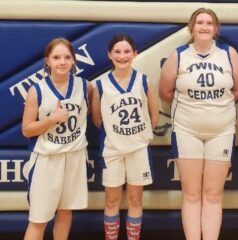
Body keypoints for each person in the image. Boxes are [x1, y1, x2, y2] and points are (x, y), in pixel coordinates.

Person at [159, 7, 238, 240]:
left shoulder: (229, 54)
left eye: (209, 23)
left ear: (215, 28)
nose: (204, 27)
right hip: (187, 130)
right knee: (191, 193)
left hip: (222, 131)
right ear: (192, 27)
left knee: (214, 194)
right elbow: (165, 91)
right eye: (200, 23)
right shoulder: (178, 54)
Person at [22, 37, 92, 240]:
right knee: (38, 220)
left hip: (74, 157)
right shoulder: (36, 91)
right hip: (47, 159)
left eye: (67, 57)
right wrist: (52, 119)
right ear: (47, 61)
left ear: (73, 60)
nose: (62, 62)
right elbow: (27, 130)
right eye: (56, 57)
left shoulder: (85, 87)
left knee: (65, 212)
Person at [92, 33, 159, 240]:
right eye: (117, 52)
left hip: (138, 149)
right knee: (111, 201)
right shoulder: (100, 85)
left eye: (127, 51)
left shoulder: (144, 81)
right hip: (112, 150)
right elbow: (97, 119)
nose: (122, 56)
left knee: (135, 200)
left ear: (135, 54)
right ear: (109, 55)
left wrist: (138, 135)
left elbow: (153, 115)